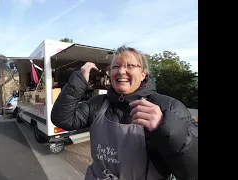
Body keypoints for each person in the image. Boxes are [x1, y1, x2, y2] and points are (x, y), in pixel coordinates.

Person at [51, 46, 198, 180]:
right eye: (116, 66)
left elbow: (191, 170)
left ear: (143, 75)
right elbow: (62, 118)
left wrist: (165, 127)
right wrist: (79, 80)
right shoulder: (97, 104)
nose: (121, 71)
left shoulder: (168, 107)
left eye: (130, 65)